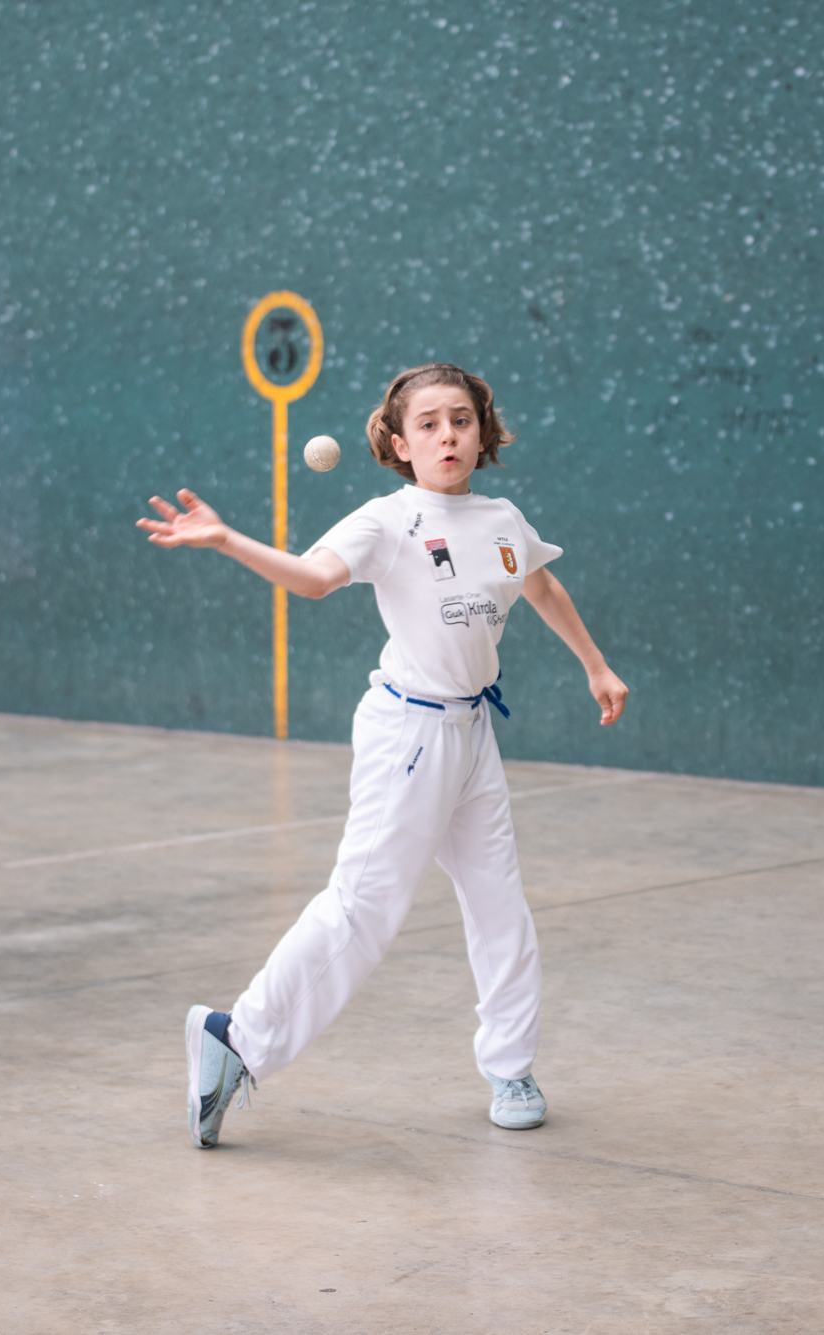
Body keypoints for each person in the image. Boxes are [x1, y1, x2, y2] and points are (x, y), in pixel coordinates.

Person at [138, 362, 629, 1148]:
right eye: (428, 424)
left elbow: (541, 584)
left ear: (482, 431)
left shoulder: (502, 517)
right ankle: (238, 1037)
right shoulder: (386, 521)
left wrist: (595, 664)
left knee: (499, 903)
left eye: (461, 419)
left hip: (474, 731)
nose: (447, 435)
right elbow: (312, 580)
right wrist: (227, 539)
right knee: (364, 909)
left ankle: (511, 1066)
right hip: (409, 735)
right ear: (399, 443)